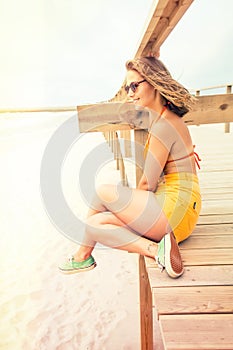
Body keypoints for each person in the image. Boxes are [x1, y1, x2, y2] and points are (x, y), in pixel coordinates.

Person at [59, 56, 202, 278]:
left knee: (103, 192)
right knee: (95, 223)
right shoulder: (166, 119)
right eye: (127, 87)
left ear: (154, 83)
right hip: (183, 213)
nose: (130, 93)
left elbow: (146, 185)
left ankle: (83, 254)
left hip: (175, 213)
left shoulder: (163, 126)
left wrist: (123, 209)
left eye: (135, 85)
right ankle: (156, 251)